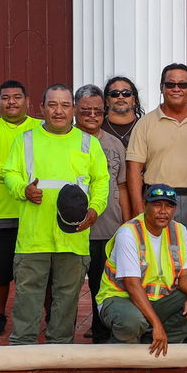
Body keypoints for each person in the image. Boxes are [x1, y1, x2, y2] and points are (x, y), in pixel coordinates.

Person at [3, 84, 108, 345]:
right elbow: (10, 173)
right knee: (28, 294)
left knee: (67, 295)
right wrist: (22, 190)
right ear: (41, 108)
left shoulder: (88, 143)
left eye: (64, 105)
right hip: (33, 235)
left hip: (73, 236)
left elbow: (101, 181)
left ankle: (59, 346)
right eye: (52, 105)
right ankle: (22, 345)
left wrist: (95, 209)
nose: (58, 111)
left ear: (73, 109)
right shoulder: (25, 140)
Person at [126, 63, 187, 271]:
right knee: (154, 262)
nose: (176, 89)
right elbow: (133, 169)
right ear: (161, 87)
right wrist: (139, 209)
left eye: (182, 84)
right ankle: (156, 304)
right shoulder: (146, 124)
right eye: (171, 84)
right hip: (156, 201)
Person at [97, 183, 187, 354]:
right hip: (120, 298)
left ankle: (153, 342)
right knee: (132, 321)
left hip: (158, 299)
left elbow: (185, 275)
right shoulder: (129, 233)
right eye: (157, 205)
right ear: (144, 205)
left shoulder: (179, 231)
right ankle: (124, 344)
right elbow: (132, 286)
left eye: (169, 206)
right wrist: (157, 324)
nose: (163, 211)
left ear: (175, 209)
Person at [0, 79, 40, 336]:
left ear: (28, 101)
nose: (11, 102)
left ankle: (42, 316)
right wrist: (20, 178)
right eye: (5, 97)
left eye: (16, 97)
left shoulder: (41, 127)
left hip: (35, 212)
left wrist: (14, 177)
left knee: (38, 270)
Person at [76, 84, 128, 344]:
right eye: (86, 110)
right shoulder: (67, 141)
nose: (93, 115)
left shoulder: (114, 144)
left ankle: (101, 333)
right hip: (72, 230)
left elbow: (122, 185)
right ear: (75, 110)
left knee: (101, 285)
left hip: (107, 228)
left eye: (98, 110)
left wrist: (128, 225)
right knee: (67, 287)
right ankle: (59, 333)